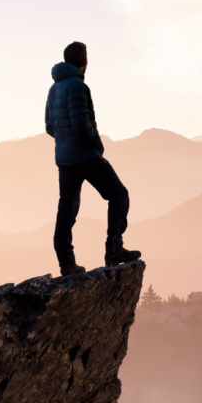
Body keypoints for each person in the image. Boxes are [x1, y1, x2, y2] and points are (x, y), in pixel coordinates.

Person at [45, 41, 141, 275]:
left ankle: (67, 263)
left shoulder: (54, 88)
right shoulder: (77, 86)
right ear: (84, 62)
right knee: (119, 194)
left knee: (67, 208)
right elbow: (81, 124)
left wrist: (64, 142)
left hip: (64, 158)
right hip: (85, 155)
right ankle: (114, 249)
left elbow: (50, 126)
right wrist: (97, 145)